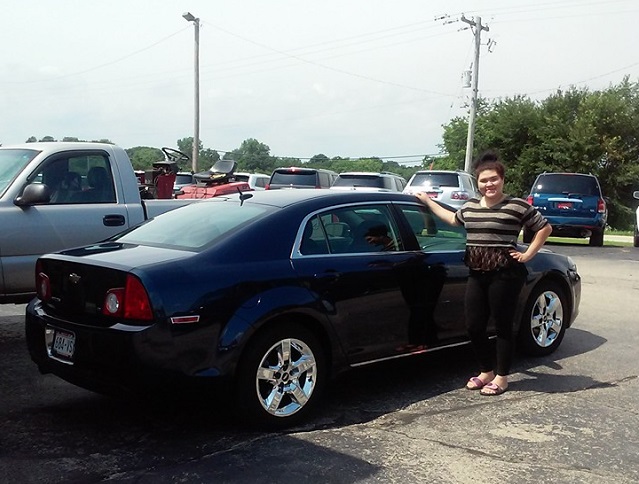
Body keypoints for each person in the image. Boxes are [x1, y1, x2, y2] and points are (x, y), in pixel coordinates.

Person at [415, 150, 552, 396]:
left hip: (506, 274)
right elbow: (452, 218)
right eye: (483, 180)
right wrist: (427, 201)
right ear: (477, 183)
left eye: (493, 179)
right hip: (477, 272)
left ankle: (501, 377)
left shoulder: (516, 206)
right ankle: (486, 371)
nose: (489, 184)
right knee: (474, 325)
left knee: (501, 325)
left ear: (502, 180)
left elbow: (544, 228)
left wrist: (528, 254)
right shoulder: (469, 207)